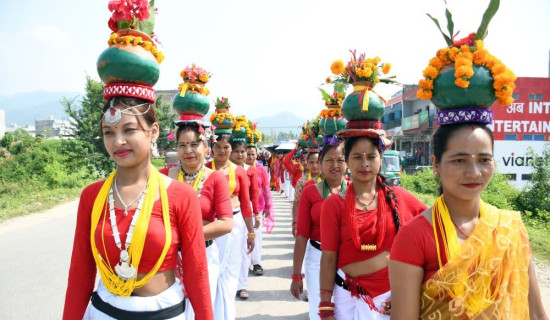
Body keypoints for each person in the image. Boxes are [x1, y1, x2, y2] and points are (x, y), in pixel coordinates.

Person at [63, 97, 213, 319]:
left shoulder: (182, 196)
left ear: (153, 132)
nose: (118, 141)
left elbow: (196, 273)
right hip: (105, 312)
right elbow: (80, 273)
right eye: (109, 132)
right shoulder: (92, 196)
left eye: (129, 130)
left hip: (164, 313)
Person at [389, 123, 549, 320]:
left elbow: (536, 313)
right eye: (459, 160)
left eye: (484, 159)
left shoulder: (510, 227)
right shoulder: (414, 236)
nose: (474, 172)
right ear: (435, 164)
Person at [318, 134, 427, 320]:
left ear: (381, 160)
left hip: (391, 298)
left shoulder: (401, 198)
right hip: (347, 297)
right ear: (348, 162)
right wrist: (326, 306)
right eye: (357, 157)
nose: (365, 163)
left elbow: (428, 242)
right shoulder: (333, 205)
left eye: (371, 157)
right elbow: (328, 258)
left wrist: (408, 293)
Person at [161, 121, 233, 319]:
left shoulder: (216, 178)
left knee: (199, 311)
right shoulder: (163, 177)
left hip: (204, 254)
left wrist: (186, 235)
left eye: (194, 144)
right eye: (182, 145)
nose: (188, 150)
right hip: (167, 257)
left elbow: (226, 222)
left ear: (206, 147)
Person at [291, 143, 348, 319]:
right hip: (317, 257)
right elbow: (301, 236)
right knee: (320, 311)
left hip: (348, 258)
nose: (335, 165)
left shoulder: (356, 191)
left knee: (345, 310)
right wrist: (296, 275)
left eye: (340, 160)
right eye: (329, 160)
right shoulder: (309, 192)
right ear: (321, 162)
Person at [206, 133, 255, 320]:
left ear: (231, 150)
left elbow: (245, 203)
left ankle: (226, 314)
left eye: (226, 147)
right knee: (212, 269)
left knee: (230, 271)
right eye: (217, 147)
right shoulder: (205, 169)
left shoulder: (239, 172)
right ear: (212, 149)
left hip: (234, 225)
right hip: (211, 224)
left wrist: (251, 233)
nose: (221, 151)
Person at [230, 139, 260, 300]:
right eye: (237, 151)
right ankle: (230, 283)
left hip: (243, 212)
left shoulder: (250, 170)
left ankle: (242, 285)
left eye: (243, 152)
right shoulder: (220, 169)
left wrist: (256, 213)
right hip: (226, 212)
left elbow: (253, 194)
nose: (240, 155)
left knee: (243, 251)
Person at [246, 145, 274, 275]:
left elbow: (266, 188)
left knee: (256, 236)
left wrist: (268, 206)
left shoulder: (261, 169)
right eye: (248, 154)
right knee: (244, 236)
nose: (251, 157)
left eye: (253, 154)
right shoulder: (240, 168)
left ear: (257, 155)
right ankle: (244, 264)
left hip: (258, 206)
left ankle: (257, 263)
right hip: (243, 207)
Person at [292, 149, 321, 236]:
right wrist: (295, 223)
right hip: (305, 218)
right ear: (307, 163)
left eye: (317, 162)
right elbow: (296, 203)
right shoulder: (302, 181)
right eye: (311, 162)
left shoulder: (328, 180)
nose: (315, 165)